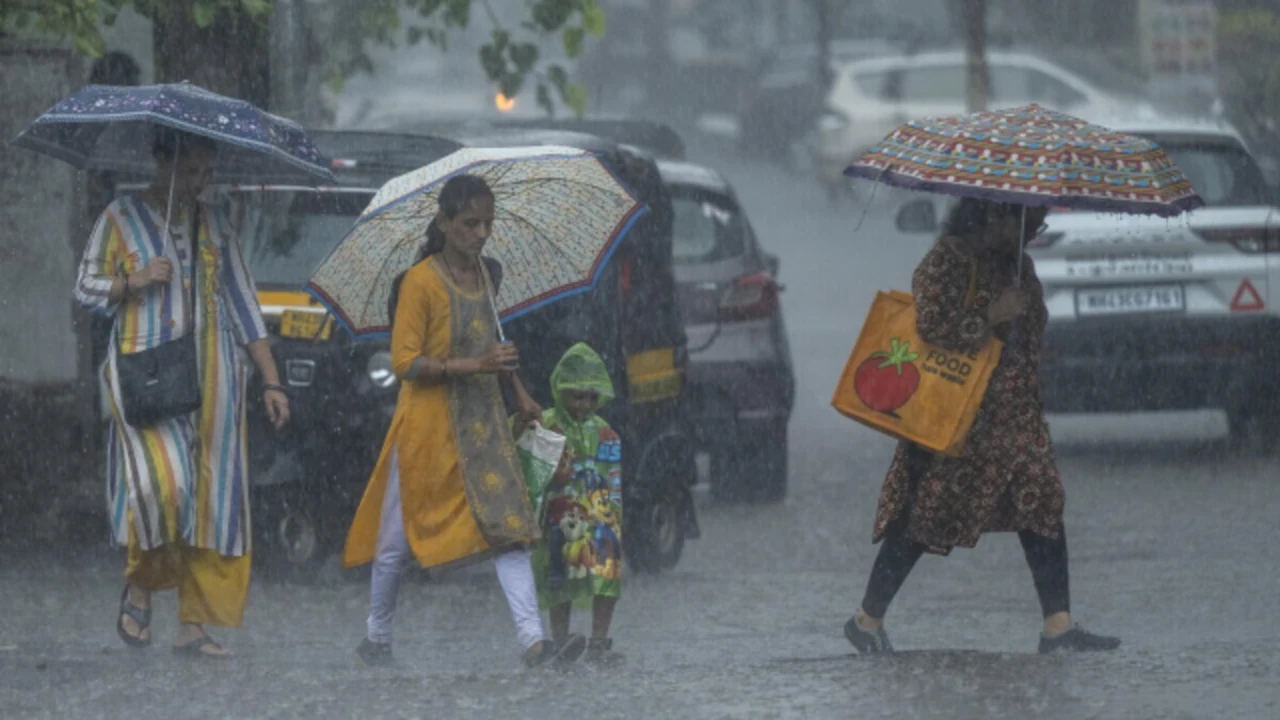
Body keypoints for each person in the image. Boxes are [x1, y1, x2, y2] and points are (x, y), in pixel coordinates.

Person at [844, 198, 1120, 655]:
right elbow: (930, 328)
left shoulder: (1018, 265)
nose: (1034, 231)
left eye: (1040, 221)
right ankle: (866, 620)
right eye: (1028, 221)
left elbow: (1029, 331)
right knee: (924, 518)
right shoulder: (947, 259)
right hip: (959, 417)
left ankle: (1059, 627)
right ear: (994, 215)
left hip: (1015, 417)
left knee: (1042, 502)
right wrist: (991, 316)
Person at [75, 127, 289, 658]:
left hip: (214, 377)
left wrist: (270, 379)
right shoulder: (119, 218)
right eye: (193, 170)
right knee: (161, 488)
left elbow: (243, 303)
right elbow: (85, 287)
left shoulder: (214, 222)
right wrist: (135, 281)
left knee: (210, 500)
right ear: (163, 163)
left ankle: (193, 625)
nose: (202, 181)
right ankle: (141, 585)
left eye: (207, 171)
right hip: (144, 371)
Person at [344, 174, 574, 669]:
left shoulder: (489, 276)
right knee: (393, 544)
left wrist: (519, 392)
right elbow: (406, 363)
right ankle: (377, 636)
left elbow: (493, 351)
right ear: (444, 223)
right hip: (426, 430)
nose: (482, 233)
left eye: (488, 223)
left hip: (484, 425)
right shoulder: (418, 283)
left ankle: (534, 642)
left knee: (510, 529)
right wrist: (476, 366)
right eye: (471, 223)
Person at [529, 343, 626, 667]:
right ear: (561, 390)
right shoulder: (545, 426)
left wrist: (611, 521)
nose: (585, 404)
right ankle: (561, 641)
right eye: (577, 396)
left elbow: (612, 481)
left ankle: (599, 643)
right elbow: (533, 476)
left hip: (599, 517)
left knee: (606, 571)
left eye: (591, 396)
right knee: (561, 577)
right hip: (561, 518)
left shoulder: (606, 433)